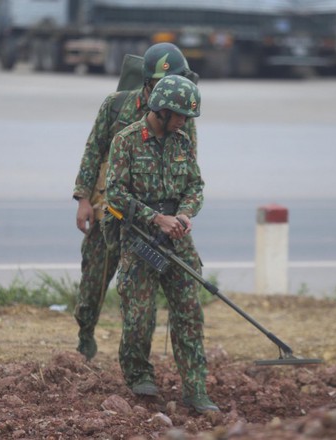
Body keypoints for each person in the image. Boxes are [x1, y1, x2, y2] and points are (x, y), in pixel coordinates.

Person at [72, 43, 198, 361]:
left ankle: (138, 358)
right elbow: (94, 150)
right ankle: (86, 333)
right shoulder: (117, 106)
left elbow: (188, 166)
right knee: (95, 277)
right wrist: (83, 199)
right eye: (162, 84)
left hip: (155, 219)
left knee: (146, 284)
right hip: (111, 207)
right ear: (147, 83)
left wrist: (182, 212)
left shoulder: (182, 116)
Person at [105, 75, 219, 413]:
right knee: (140, 315)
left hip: (177, 238)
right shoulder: (126, 141)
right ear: (162, 110)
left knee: (189, 313)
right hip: (142, 238)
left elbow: (196, 186)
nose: (184, 122)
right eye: (180, 115)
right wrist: (156, 218)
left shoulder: (181, 142)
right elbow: (115, 195)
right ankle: (138, 371)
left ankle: (196, 389)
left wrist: (184, 214)